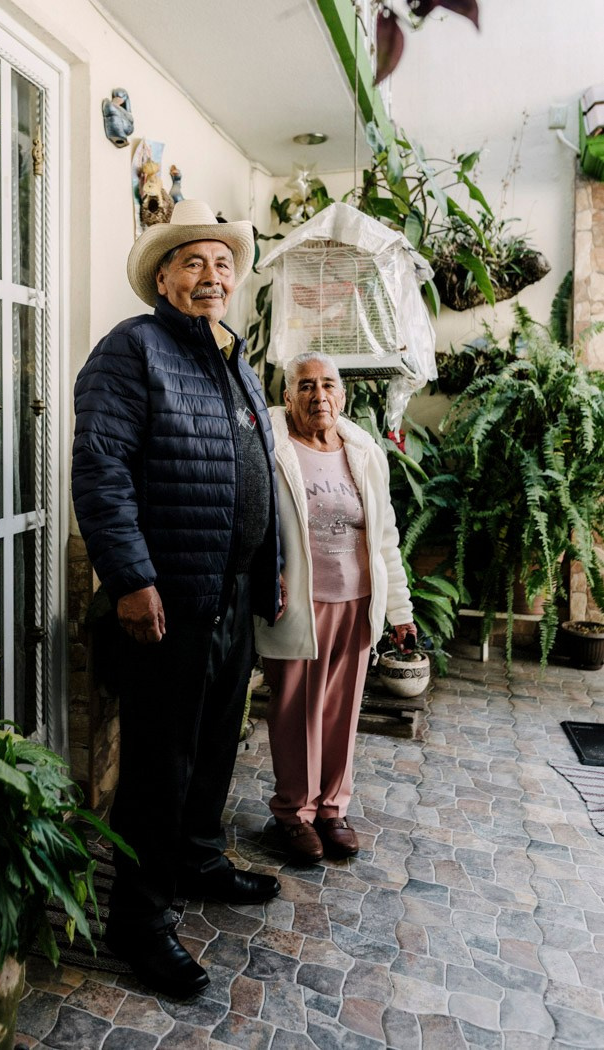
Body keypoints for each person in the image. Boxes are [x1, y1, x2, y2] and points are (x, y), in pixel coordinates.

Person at [71, 200, 284, 999]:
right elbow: (100, 469)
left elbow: (259, 474)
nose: (211, 276)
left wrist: (269, 568)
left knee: (213, 746)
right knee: (158, 766)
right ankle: (139, 920)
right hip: (167, 599)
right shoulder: (132, 351)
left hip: (227, 593)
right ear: (162, 277)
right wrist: (129, 578)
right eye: (193, 262)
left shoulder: (231, 361)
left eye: (223, 264)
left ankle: (196, 859)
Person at [254, 351, 415, 865]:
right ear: (287, 396)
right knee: (295, 709)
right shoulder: (273, 448)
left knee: (343, 713)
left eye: (327, 385)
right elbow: (254, 520)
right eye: (305, 385)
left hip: (357, 601)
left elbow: (384, 535)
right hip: (299, 602)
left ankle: (332, 809)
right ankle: (293, 813)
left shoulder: (364, 450)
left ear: (343, 396)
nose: (317, 395)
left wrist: (400, 611)